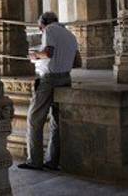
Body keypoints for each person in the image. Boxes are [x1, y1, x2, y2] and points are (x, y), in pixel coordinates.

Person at [18, 11, 81, 171]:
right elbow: (77, 62)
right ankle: (53, 161)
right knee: (56, 121)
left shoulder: (50, 30)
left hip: (49, 80)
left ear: (44, 23)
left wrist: (34, 56)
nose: (41, 31)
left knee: (34, 118)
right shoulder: (70, 35)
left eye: (40, 28)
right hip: (65, 78)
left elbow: (48, 53)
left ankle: (35, 161)